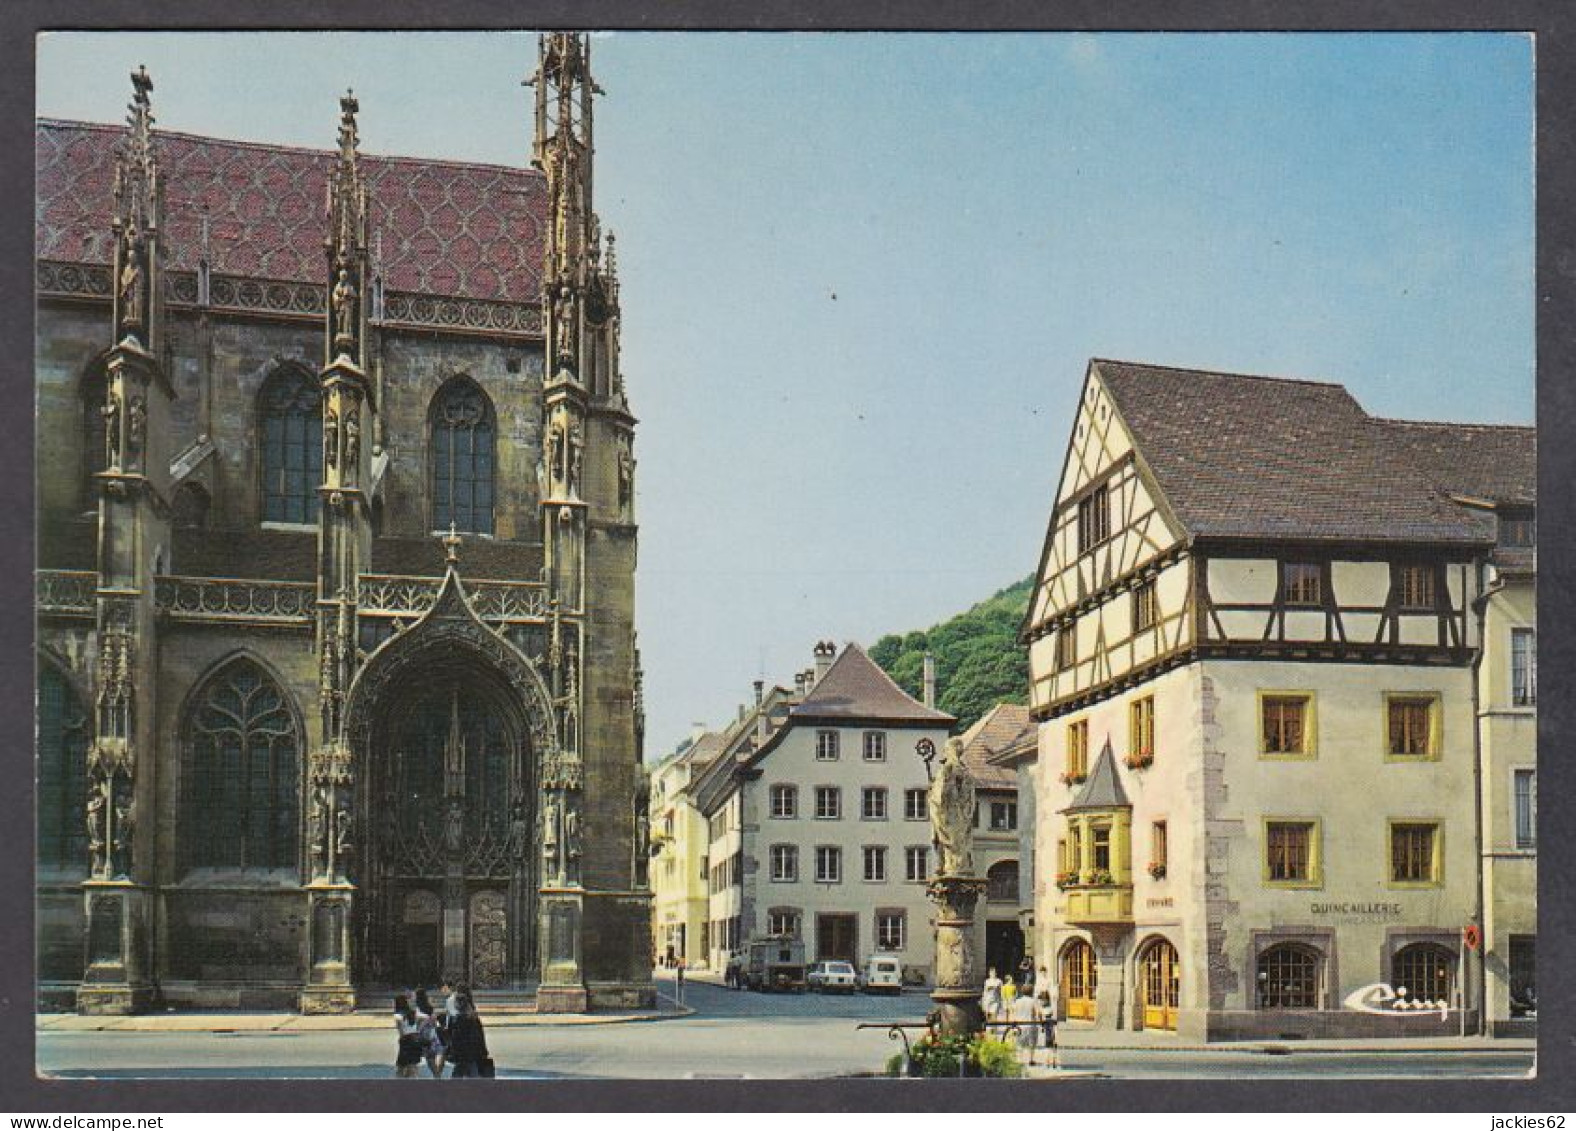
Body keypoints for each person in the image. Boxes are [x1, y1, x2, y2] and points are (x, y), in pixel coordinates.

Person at [446, 991, 492, 1078]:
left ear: (456, 1005)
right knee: (473, 1075)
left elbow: (453, 1037)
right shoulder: (474, 1018)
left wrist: (452, 1052)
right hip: (473, 1052)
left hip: (461, 1053)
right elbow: (480, 1036)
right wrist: (483, 1051)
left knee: (457, 1077)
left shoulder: (455, 1020)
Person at [414, 988, 445, 1078]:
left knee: (429, 1059)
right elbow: (434, 1023)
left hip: (424, 1035)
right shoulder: (429, 1007)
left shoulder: (418, 1009)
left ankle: (437, 1077)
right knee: (432, 1057)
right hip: (432, 1034)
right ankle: (437, 1076)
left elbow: (418, 1025)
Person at [1009, 985, 1042, 1067]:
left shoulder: (1017, 1001)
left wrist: (1013, 1023)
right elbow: (1038, 1013)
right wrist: (1041, 1022)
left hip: (1019, 1025)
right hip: (1031, 1024)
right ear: (1031, 992)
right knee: (1031, 1044)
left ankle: (1020, 1060)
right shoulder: (1033, 1001)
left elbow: (1013, 1012)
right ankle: (1031, 1060)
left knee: (1019, 1043)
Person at [392, 994, 424, 1078]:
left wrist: (402, 1037)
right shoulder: (413, 1012)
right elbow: (423, 1018)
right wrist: (418, 1030)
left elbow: (400, 1030)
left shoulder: (398, 1015)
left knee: (401, 1066)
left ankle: (398, 1085)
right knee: (413, 1064)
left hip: (406, 1039)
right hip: (415, 1038)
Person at [1037, 992, 1058, 1068]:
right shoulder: (1050, 1008)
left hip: (1047, 1028)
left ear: (1046, 1000)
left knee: (1048, 1046)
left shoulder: (1044, 1009)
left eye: (1042, 1000)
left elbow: (1041, 1020)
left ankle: (1048, 1062)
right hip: (1050, 1028)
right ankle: (1052, 1061)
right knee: (1052, 1046)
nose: (1040, 1002)